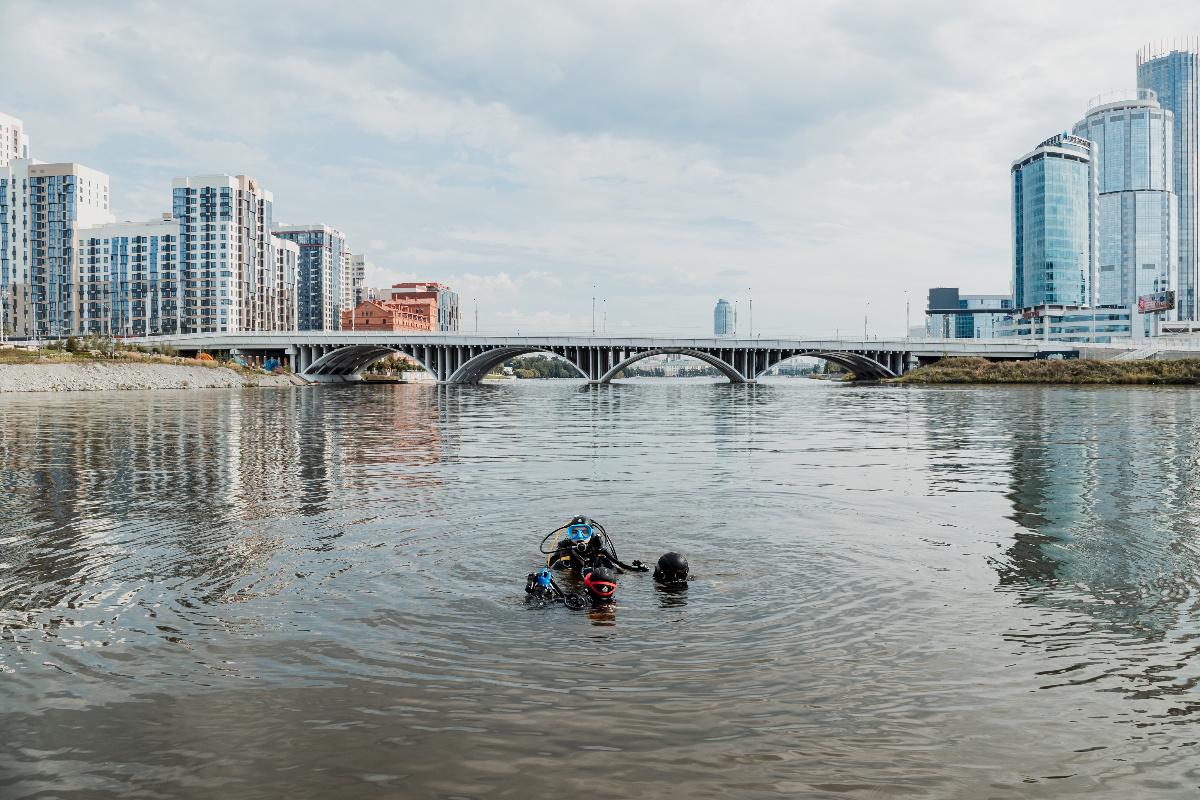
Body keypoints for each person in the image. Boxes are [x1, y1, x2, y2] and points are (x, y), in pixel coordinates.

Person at [541, 516, 648, 575]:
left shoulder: (599, 550)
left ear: (591, 533)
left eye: (584, 532)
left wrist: (637, 571)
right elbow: (550, 569)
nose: (579, 536)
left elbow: (618, 571)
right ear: (569, 535)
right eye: (574, 532)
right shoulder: (564, 550)